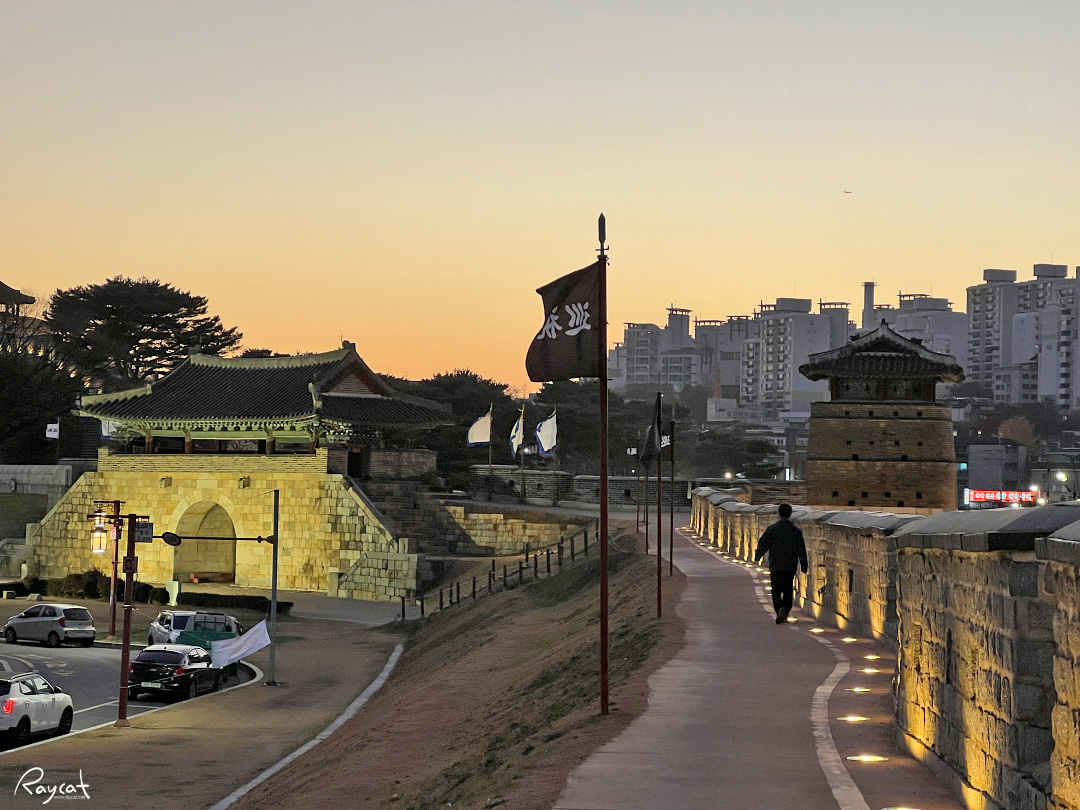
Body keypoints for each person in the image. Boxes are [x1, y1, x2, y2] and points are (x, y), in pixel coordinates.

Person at [754, 503, 808, 624]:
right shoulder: (796, 531)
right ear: (790, 514)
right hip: (790, 564)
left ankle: (779, 609)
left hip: (776, 564)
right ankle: (785, 609)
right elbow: (801, 549)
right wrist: (804, 565)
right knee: (788, 588)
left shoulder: (772, 529)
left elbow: (763, 543)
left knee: (776, 588)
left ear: (779, 513)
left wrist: (758, 555)